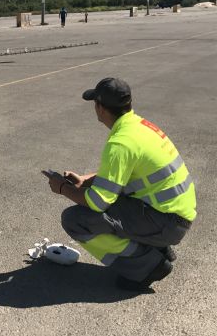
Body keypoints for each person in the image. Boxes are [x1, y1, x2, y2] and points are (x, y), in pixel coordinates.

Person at [45, 78, 196, 292]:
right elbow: (121, 174)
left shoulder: (120, 143)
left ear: (100, 107)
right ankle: (158, 249)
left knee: (75, 219)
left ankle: (148, 266)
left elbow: (97, 202)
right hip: (176, 215)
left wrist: (63, 188)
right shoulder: (139, 126)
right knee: (116, 201)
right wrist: (85, 180)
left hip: (167, 222)